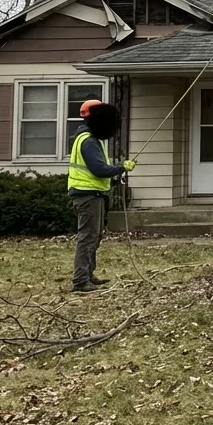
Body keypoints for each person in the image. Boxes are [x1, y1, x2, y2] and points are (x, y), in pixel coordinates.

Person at [68, 100, 135, 293]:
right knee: (87, 238)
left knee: (94, 237)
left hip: (92, 194)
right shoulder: (88, 141)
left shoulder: (89, 138)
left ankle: (88, 275)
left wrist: (114, 177)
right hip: (86, 196)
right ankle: (81, 281)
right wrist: (122, 167)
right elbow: (98, 169)